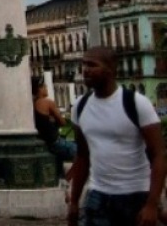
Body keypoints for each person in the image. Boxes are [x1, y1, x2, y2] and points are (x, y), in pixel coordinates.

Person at [68, 47, 165, 226]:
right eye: (84, 64)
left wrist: (152, 204)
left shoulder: (136, 103)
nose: (85, 70)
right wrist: (74, 201)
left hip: (136, 194)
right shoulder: (80, 107)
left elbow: (158, 155)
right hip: (98, 195)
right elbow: (82, 156)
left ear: (110, 69)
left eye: (92, 65)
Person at [31, 76, 75, 174]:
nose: (46, 88)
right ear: (39, 89)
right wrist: (54, 119)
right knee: (83, 153)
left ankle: (62, 175)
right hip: (55, 142)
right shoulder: (47, 102)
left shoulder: (33, 103)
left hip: (45, 142)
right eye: (44, 86)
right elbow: (62, 122)